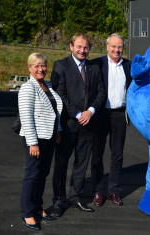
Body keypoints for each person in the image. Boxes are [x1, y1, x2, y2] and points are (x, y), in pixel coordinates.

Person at [51, 33, 106, 217]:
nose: (83, 50)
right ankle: (59, 200)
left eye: (86, 47)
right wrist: (76, 114)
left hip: (88, 124)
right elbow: (60, 93)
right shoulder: (61, 65)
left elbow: (100, 93)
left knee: (81, 164)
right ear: (71, 46)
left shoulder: (94, 67)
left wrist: (90, 111)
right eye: (79, 47)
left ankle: (75, 197)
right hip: (68, 124)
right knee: (61, 163)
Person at [19, 53, 63, 230]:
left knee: (43, 174)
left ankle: (37, 207)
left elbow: (55, 111)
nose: (40, 69)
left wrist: (58, 131)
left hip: (49, 136)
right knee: (32, 174)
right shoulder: (28, 88)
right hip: (36, 138)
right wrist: (32, 142)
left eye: (43, 66)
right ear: (29, 68)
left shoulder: (48, 86)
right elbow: (26, 117)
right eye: (36, 66)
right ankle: (27, 212)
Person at [91, 33, 132, 207]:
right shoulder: (97, 64)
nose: (117, 50)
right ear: (107, 47)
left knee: (117, 154)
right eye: (114, 46)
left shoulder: (128, 66)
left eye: (120, 47)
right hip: (100, 114)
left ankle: (113, 190)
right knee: (97, 153)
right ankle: (98, 191)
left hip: (119, 114)